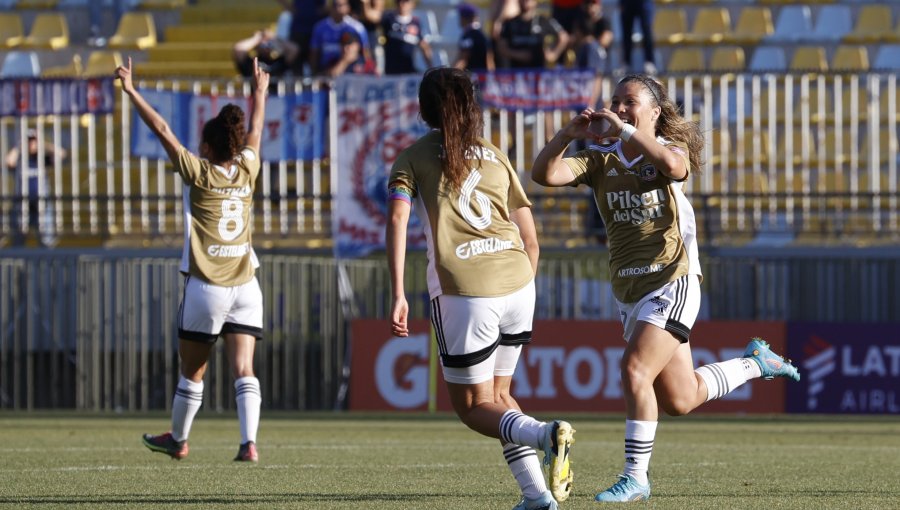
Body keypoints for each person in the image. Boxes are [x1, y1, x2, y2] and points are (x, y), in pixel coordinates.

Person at [530, 74, 801, 502]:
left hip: (672, 279)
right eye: (615, 100)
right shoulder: (600, 160)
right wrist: (567, 134)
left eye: (629, 101)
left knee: (634, 370)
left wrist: (628, 131)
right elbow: (544, 173)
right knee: (680, 397)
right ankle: (756, 363)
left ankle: (635, 477)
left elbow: (677, 167)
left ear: (654, 113)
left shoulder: (667, 152)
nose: (618, 107)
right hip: (630, 292)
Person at [387, 67, 575, 510]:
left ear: (423, 109)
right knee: (500, 398)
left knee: (473, 408)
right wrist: (518, 283)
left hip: (467, 291)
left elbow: (396, 219)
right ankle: (536, 496)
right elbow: (530, 238)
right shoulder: (495, 154)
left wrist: (397, 291)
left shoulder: (411, 158)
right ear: (473, 107)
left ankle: (546, 433)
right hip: (518, 284)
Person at [115, 56, 270, 463]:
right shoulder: (247, 170)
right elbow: (254, 131)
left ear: (205, 147)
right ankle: (248, 443)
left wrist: (132, 91)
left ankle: (179, 440)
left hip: (208, 287)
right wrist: (260, 92)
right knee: (244, 368)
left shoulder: (199, 174)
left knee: (193, 372)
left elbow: (162, 129)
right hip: (247, 285)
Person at [4, 129, 65, 248]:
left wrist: (43, 144)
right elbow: (9, 161)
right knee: (18, 240)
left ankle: (46, 262)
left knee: (46, 239)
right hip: (22, 203)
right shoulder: (20, 158)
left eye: (34, 141)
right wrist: (19, 146)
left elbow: (61, 154)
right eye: (29, 141)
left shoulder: (42, 158)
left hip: (41, 204)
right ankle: (18, 263)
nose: (31, 144)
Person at [495, 0, 569, 70]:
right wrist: (519, 55)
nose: (526, 1)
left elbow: (563, 37)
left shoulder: (543, 20)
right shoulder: (509, 23)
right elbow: (502, 48)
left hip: (537, 71)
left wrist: (552, 55)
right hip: (516, 72)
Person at [310, 0, 376, 77]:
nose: (339, 9)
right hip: (327, 69)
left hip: (351, 70)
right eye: (336, 5)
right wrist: (314, 73)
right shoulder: (320, 27)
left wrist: (369, 69)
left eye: (342, 5)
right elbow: (314, 52)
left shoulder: (356, 27)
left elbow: (366, 51)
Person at [380, 0, 432, 75]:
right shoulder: (388, 19)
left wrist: (430, 67)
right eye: (399, 1)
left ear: (412, 4)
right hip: (391, 71)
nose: (402, 4)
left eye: (405, 1)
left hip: (408, 70)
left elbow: (424, 46)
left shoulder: (416, 22)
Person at [277, 0, 327, 75]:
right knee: (296, 64)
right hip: (297, 31)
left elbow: (323, 8)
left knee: (313, 63)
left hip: (312, 31)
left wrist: (311, 15)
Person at [233, 28, 299, 78]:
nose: (266, 45)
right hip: (256, 94)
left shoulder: (279, 61)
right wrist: (257, 38)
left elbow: (294, 49)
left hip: (277, 94)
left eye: (268, 41)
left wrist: (274, 38)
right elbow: (238, 49)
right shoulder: (252, 63)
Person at [619, 0, 656, 75]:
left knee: (647, 30)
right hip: (627, 2)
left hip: (644, 2)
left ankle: (649, 61)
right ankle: (626, 62)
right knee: (626, 32)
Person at [454, 2, 494, 72]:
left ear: (464, 18)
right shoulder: (482, 34)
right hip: (483, 76)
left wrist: (451, 73)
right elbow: (490, 59)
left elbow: (463, 59)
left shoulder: (469, 35)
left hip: (472, 76)